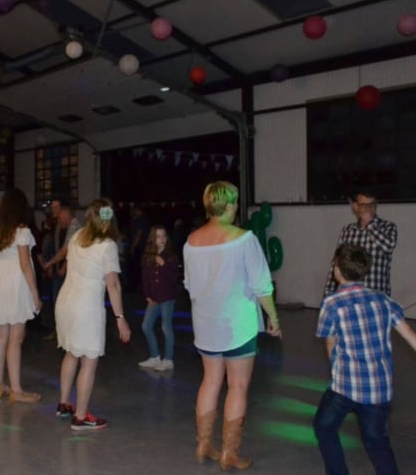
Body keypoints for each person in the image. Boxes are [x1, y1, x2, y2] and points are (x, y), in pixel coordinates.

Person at [314, 244, 416, 474]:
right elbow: (408, 333)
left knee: (324, 427)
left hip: (344, 387)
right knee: (377, 441)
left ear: (337, 270)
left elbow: (330, 343)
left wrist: (334, 370)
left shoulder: (332, 304)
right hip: (379, 389)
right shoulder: (382, 300)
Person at [183, 181, 280, 470]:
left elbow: (189, 285)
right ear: (227, 205)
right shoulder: (244, 239)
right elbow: (262, 285)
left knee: (210, 381)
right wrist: (273, 318)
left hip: (205, 323)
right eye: (235, 201)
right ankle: (230, 452)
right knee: (237, 385)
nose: (237, 206)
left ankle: (203, 443)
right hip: (237, 324)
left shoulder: (191, 241)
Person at [55, 198, 131, 431]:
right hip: (86, 307)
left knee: (71, 354)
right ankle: (80, 417)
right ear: (109, 219)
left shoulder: (77, 237)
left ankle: (64, 404)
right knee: (89, 361)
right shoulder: (107, 245)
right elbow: (113, 285)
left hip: (65, 302)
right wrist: (120, 319)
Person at [0, 188, 44, 403]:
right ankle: (16, 391)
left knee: (1, 335)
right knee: (16, 338)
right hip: (16, 281)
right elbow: (25, 264)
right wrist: (35, 294)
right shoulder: (22, 231)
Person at [324, 191, 397, 296]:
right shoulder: (347, 230)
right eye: (364, 205)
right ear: (355, 207)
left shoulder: (387, 226)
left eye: (371, 205)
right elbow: (337, 262)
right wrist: (328, 293)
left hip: (377, 296)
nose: (368, 209)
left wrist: (370, 223)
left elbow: (388, 247)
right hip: (350, 296)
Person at [138, 225, 180, 372]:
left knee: (166, 327)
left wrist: (164, 265)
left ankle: (168, 359)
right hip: (154, 297)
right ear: (153, 239)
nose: (162, 239)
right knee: (146, 326)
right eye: (158, 236)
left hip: (167, 296)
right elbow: (145, 277)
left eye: (163, 236)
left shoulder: (171, 256)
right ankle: (155, 356)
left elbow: (175, 277)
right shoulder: (148, 256)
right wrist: (147, 294)